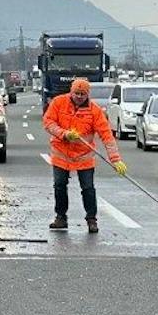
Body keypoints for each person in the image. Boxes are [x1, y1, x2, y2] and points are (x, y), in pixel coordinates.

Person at [42, 77, 126, 233]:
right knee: (59, 186)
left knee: (88, 188)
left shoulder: (95, 111)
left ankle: (91, 219)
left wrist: (116, 160)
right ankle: (61, 217)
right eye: (76, 93)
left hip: (84, 156)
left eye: (82, 94)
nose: (79, 97)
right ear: (71, 92)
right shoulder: (58, 103)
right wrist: (64, 134)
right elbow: (48, 122)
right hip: (61, 154)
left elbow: (107, 136)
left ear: (88, 94)